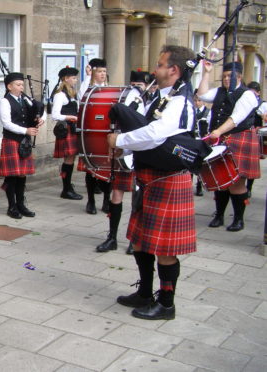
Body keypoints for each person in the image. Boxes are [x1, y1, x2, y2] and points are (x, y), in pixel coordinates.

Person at [107, 45, 197, 320]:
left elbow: (157, 134)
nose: (154, 69)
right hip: (149, 178)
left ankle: (166, 304)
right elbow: (146, 134)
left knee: (166, 250)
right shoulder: (162, 97)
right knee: (141, 241)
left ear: (174, 70)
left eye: (159, 65)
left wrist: (119, 141)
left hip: (168, 182)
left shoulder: (181, 102)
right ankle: (145, 292)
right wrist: (128, 148)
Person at [198, 61, 261, 231]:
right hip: (221, 138)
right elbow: (202, 94)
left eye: (230, 76)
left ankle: (239, 220)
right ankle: (219, 216)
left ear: (239, 77)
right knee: (220, 179)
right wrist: (206, 73)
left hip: (239, 139)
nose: (226, 79)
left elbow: (236, 118)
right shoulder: (219, 92)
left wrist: (217, 131)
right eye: (224, 76)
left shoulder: (247, 95)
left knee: (236, 182)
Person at [96, 69, 150, 254]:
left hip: (143, 155)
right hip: (125, 153)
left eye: (140, 85)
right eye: (134, 85)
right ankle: (112, 238)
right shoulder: (129, 99)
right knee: (116, 195)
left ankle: (135, 239)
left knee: (138, 199)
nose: (136, 88)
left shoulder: (153, 104)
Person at [0, 72, 46, 218]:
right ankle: (11, 207)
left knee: (22, 175)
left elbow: (39, 109)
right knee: (12, 176)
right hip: (12, 140)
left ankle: (21, 204)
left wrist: (41, 119)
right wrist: (26, 130)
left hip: (24, 141)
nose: (21, 87)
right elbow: (6, 123)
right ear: (9, 86)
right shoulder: (5, 101)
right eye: (18, 85)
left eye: (22, 85)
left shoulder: (25, 100)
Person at [80, 58, 111, 215]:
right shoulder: (87, 86)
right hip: (91, 131)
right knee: (91, 168)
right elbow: (82, 102)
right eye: (99, 71)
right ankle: (91, 200)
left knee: (107, 168)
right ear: (93, 72)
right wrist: (87, 77)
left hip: (106, 131)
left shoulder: (109, 88)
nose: (103, 74)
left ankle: (107, 199)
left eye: (104, 71)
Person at [51, 66, 82, 200]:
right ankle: (66, 188)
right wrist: (69, 117)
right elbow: (55, 115)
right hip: (67, 129)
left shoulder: (72, 94)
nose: (75, 80)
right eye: (74, 78)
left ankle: (68, 186)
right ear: (66, 79)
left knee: (71, 159)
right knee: (68, 159)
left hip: (74, 129)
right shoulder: (60, 95)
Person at [193, 89, 210, 196]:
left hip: (202, 141)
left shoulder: (208, 112)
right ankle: (188, 184)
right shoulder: (190, 111)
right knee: (188, 162)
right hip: (191, 141)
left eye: (199, 100)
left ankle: (199, 186)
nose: (197, 103)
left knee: (200, 165)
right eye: (195, 100)